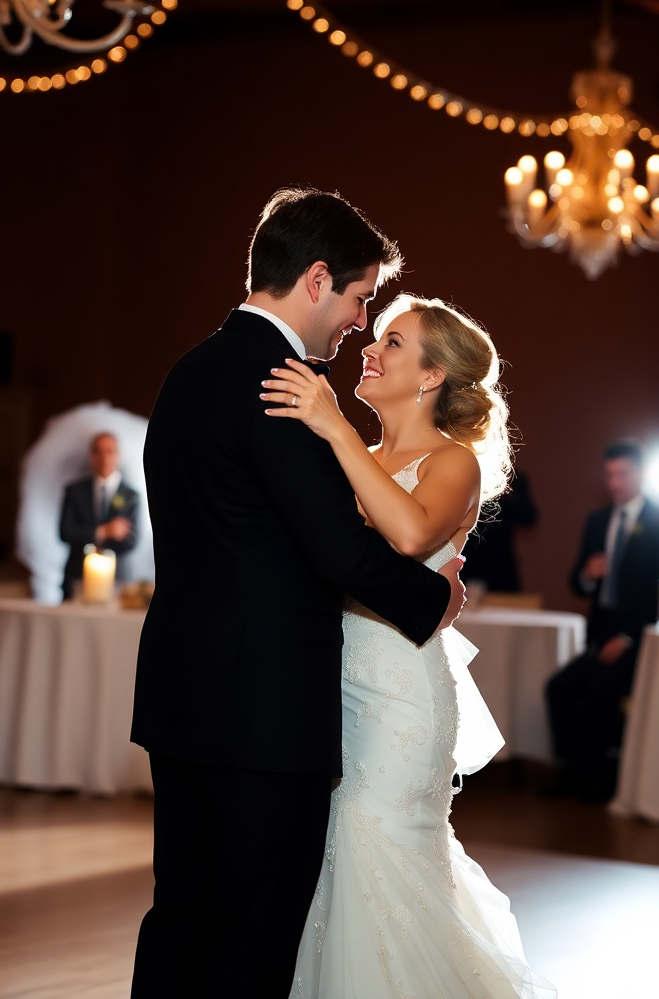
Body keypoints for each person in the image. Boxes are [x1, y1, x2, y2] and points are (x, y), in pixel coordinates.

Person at [129, 189, 465, 998]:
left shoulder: (189, 371)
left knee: (178, 920)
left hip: (182, 698)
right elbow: (341, 552)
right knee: (252, 941)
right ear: (317, 280)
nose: (357, 323)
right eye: (358, 299)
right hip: (265, 718)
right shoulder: (282, 385)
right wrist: (434, 600)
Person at [264, 294, 554, 998]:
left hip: (401, 699)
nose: (370, 348)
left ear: (431, 377)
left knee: (378, 847)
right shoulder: (352, 455)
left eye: (393, 342)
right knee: (333, 863)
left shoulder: (452, 463)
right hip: (331, 689)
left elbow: (410, 536)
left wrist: (332, 429)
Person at [545, 439, 659, 801]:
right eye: (609, 474)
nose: (615, 482)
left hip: (637, 638)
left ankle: (600, 778)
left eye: (622, 473)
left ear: (639, 474)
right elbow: (577, 582)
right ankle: (570, 771)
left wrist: (628, 637)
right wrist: (589, 575)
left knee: (601, 691)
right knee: (558, 688)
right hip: (599, 634)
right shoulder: (598, 520)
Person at [59, 432, 140, 600]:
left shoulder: (131, 496)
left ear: (118, 455)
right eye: (98, 452)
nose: (104, 457)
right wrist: (104, 531)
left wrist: (87, 536)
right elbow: (66, 532)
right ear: (91, 456)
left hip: (117, 582)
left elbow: (130, 541)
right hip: (77, 579)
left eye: (109, 451)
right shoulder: (75, 491)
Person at [461, 468, 539, 593]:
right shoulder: (463, 474)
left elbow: (529, 518)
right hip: (467, 561)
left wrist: (508, 490)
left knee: (507, 607)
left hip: (501, 565)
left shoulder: (512, 477)